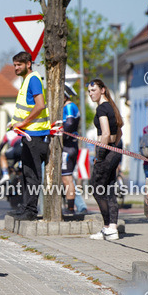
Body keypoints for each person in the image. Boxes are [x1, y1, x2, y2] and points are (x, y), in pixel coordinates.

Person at [7, 51, 50, 220]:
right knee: (26, 172)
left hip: (35, 134)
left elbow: (40, 105)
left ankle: (31, 211)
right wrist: (14, 123)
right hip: (28, 134)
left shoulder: (33, 79)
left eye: (19, 65)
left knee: (32, 174)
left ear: (28, 64)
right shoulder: (26, 81)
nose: (16, 68)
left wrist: (23, 123)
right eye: (14, 65)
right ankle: (25, 207)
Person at [87, 79, 123, 240]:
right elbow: (119, 131)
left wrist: (99, 156)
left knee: (96, 187)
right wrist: (115, 147)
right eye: (89, 91)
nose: (90, 94)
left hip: (106, 152)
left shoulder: (102, 108)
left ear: (102, 90)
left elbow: (106, 134)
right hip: (115, 150)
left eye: (93, 90)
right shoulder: (112, 106)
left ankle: (108, 226)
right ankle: (112, 229)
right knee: (109, 188)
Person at [60, 84, 81, 217]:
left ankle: (71, 208)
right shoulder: (67, 106)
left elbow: (69, 123)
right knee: (66, 177)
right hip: (70, 145)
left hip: (68, 146)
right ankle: (70, 206)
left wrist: (59, 133)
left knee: (67, 178)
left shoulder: (69, 106)